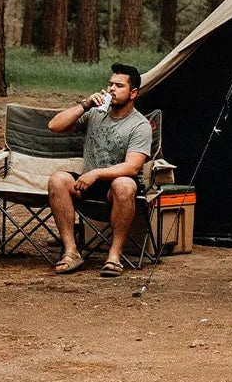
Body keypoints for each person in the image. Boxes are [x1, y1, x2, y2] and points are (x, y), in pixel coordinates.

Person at [47, 63, 153, 276]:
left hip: (116, 188)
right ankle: (71, 252)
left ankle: (114, 256)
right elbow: (54, 126)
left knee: (123, 183)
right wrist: (85, 105)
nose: (112, 89)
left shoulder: (139, 125)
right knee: (57, 179)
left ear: (133, 93)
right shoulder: (95, 114)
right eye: (110, 84)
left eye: (119, 86)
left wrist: (96, 173)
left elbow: (132, 167)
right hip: (88, 184)